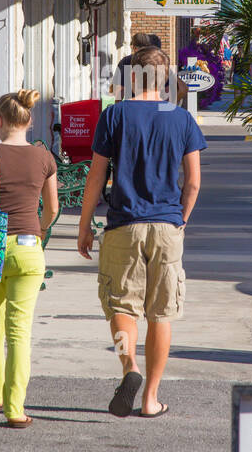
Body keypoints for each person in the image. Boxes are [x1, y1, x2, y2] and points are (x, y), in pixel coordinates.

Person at [77, 45, 207, 418]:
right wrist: (179, 220)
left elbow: (96, 177)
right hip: (167, 226)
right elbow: (194, 183)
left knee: (122, 305)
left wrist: (85, 227)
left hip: (123, 225)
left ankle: (128, 368)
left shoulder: (114, 115)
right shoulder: (181, 119)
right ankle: (151, 399)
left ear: (133, 76)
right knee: (161, 314)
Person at [0, 90, 58, 430]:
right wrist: (39, 230)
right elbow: (53, 208)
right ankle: (15, 410)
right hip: (29, 247)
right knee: (20, 332)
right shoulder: (44, 159)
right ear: (29, 120)